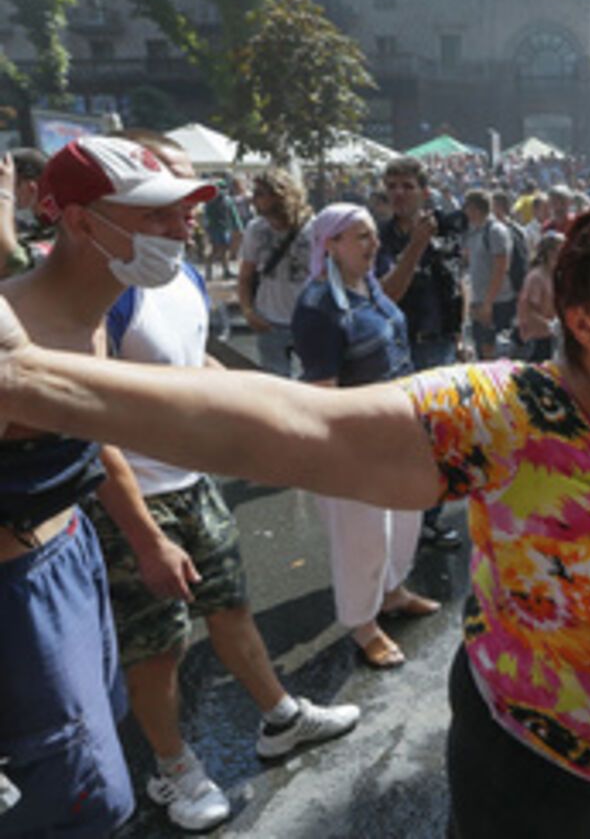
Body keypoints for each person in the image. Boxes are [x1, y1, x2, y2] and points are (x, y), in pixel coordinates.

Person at [0, 202, 590, 839]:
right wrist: (29, 381)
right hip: (544, 784)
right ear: (579, 320)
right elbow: (297, 424)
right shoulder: (513, 413)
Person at [83, 133, 360, 831]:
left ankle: (280, 716)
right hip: (134, 500)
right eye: (172, 197)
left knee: (232, 606)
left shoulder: (183, 275)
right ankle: (173, 769)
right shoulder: (102, 292)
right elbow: (90, 424)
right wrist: (143, 536)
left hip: (192, 483)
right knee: (159, 646)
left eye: (197, 197)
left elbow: (193, 363)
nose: (191, 212)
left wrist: (277, 408)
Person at [0, 136, 222, 838]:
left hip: (73, 555)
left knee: (98, 740)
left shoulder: (97, 316)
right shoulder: (14, 333)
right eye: (155, 214)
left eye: (183, 211)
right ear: (81, 221)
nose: (182, 228)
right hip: (19, 585)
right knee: (85, 795)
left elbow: (96, 438)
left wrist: (145, 536)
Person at [292, 203, 440, 670]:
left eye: (373, 235)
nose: (373, 244)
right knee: (363, 536)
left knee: (405, 521)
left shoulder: (368, 288)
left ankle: (393, 592)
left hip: (400, 432)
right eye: (360, 237)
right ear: (329, 244)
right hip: (355, 443)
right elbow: (323, 395)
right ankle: (361, 624)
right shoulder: (317, 306)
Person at [373, 157, 464, 550]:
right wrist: (416, 245)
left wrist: (460, 337)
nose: (398, 193)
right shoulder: (377, 237)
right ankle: (401, 521)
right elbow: (387, 293)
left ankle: (426, 521)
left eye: (407, 186)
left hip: (440, 344)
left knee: (439, 439)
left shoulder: (444, 230)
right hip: (399, 348)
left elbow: (456, 284)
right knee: (404, 440)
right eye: (392, 186)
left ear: (424, 192)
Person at [237, 169, 313, 376]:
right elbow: (245, 275)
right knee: (276, 383)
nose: (253, 199)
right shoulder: (255, 229)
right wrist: (248, 311)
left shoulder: (313, 228)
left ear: (280, 194)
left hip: (309, 322)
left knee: (315, 382)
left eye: (260, 193)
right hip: (269, 322)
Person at [463, 188, 514, 360]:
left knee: (495, 353)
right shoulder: (474, 232)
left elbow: (501, 269)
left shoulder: (495, 231)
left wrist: (488, 303)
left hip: (497, 303)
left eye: (467, 208)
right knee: (482, 352)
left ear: (475, 208)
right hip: (480, 301)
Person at [0, 147, 50, 279]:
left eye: (11, 186)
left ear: (30, 187)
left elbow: (13, 260)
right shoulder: (35, 227)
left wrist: (4, 196)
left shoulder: (63, 230)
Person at [515, 230, 563, 362]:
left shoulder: (555, 275)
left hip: (551, 338)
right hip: (536, 339)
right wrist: (550, 325)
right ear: (550, 252)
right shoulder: (536, 277)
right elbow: (527, 311)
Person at [202, 179, 242, 280]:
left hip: (214, 228)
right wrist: (239, 227)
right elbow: (234, 215)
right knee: (222, 249)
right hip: (222, 228)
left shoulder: (209, 201)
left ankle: (212, 272)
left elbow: (205, 216)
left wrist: (206, 229)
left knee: (219, 250)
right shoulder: (226, 200)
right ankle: (223, 271)